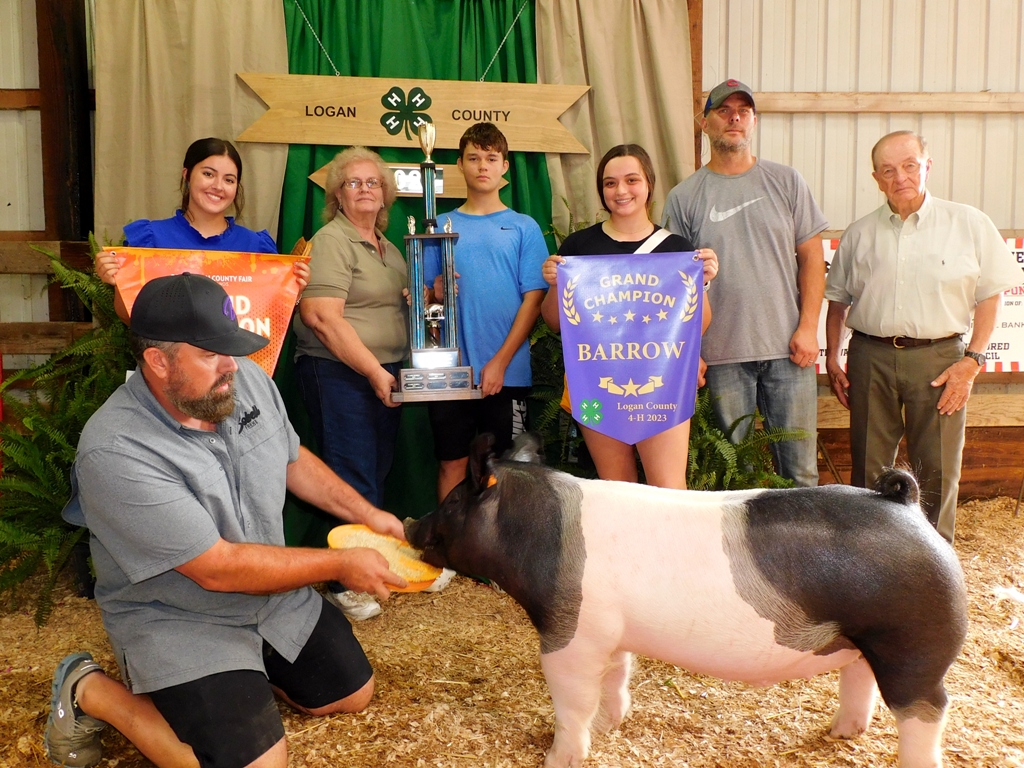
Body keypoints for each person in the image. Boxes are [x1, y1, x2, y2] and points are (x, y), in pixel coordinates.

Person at [45, 273, 408, 768]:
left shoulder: (243, 380)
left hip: (272, 598)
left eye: (230, 348)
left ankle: (244, 677)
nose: (231, 365)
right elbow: (217, 568)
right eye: (210, 353)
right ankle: (91, 689)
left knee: (351, 695)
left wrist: (368, 515)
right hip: (180, 618)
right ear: (158, 361)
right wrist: (340, 564)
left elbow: (291, 458)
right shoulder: (115, 450)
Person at [825, 130, 1022, 543]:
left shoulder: (968, 223)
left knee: (937, 465)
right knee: (868, 466)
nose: (900, 177)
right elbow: (839, 301)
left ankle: (934, 557)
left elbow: (991, 296)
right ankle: (872, 552)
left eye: (910, 165)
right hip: (870, 356)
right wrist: (832, 359)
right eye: (888, 170)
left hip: (941, 360)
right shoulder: (859, 233)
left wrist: (972, 361)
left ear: (927, 166)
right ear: (876, 179)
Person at [663, 79, 828, 488]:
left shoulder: (787, 181)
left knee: (800, 473)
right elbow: (675, 283)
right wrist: (689, 350)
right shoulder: (684, 197)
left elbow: (812, 259)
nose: (734, 118)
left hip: (790, 351)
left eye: (743, 111)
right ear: (704, 123)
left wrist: (809, 327)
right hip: (720, 357)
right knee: (734, 478)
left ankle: (802, 535)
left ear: (753, 121)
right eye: (723, 110)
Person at [540, 144, 717, 489]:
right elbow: (555, 323)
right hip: (597, 384)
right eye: (610, 183)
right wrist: (554, 285)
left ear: (649, 184)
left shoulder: (677, 249)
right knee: (617, 489)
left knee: (670, 489)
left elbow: (698, 324)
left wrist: (704, 281)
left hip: (663, 384)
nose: (621, 190)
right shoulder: (578, 248)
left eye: (631, 180)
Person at [292, 146, 414, 620]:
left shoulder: (390, 249)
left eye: (373, 182)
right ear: (337, 196)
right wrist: (374, 371)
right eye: (353, 182)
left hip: (382, 372)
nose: (365, 190)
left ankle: (371, 569)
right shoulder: (331, 241)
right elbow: (321, 317)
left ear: (385, 195)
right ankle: (346, 585)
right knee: (352, 476)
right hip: (339, 373)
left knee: (374, 472)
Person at [423, 122, 550, 500]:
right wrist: (435, 294)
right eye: (474, 158)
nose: (483, 166)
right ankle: (451, 536)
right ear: (460, 165)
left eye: (492, 158)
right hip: (451, 376)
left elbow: (534, 301)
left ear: (505, 167)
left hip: (507, 373)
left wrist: (499, 362)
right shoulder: (439, 227)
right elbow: (427, 304)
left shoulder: (524, 228)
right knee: (452, 464)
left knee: (510, 470)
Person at [95, 137, 307, 322]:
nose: (218, 186)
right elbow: (130, 317)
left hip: (236, 357)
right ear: (187, 175)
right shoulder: (150, 239)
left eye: (229, 180)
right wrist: (117, 280)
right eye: (208, 174)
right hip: (167, 356)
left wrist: (295, 291)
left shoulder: (255, 246)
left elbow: (269, 319)